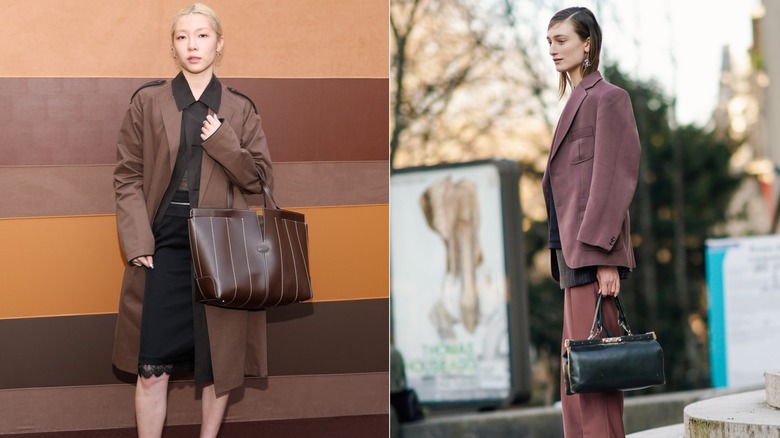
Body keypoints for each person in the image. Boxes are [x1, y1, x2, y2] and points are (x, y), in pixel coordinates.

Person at [112, 4, 273, 437]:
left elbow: (259, 181)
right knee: (151, 368)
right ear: (173, 47)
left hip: (223, 244)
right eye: (183, 37)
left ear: (219, 45)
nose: (192, 45)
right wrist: (137, 240)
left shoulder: (240, 109)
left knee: (219, 364)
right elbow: (127, 175)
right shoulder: (148, 101)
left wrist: (222, 140)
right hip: (163, 242)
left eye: (202, 36)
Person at [542, 7, 641, 437]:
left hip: (592, 254)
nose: (553, 49)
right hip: (570, 256)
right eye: (549, 42)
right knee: (576, 378)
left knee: (595, 378)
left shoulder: (608, 98)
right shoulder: (574, 102)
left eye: (561, 40)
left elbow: (614, 178)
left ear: (587, 44)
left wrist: (606, 258)